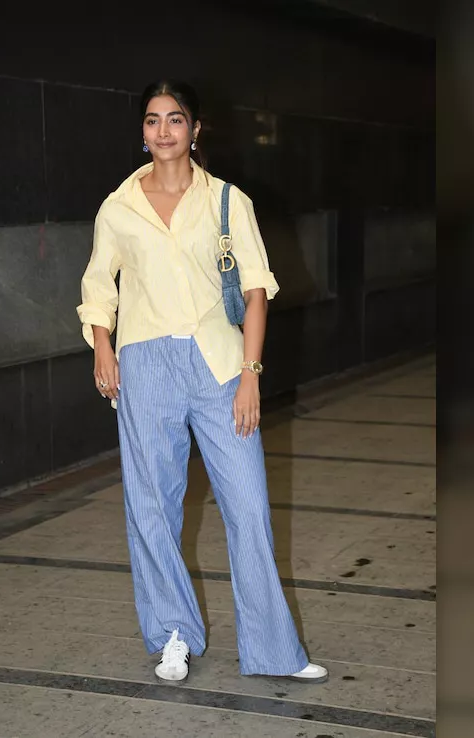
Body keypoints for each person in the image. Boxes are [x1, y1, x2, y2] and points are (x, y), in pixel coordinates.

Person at [76, 79, 327, 684]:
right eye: (153, 119)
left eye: (175, 119)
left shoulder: (227, 201)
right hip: (143, 366)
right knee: (151, 508)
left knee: (249, 508)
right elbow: (98, 285)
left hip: (219, 366)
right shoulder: (118, 207)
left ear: (194, 129)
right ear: (142, 131)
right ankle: (173, 636)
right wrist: (102, 346)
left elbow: (256, 290)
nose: (163, 130)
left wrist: (251, 376)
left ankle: (274, 652)